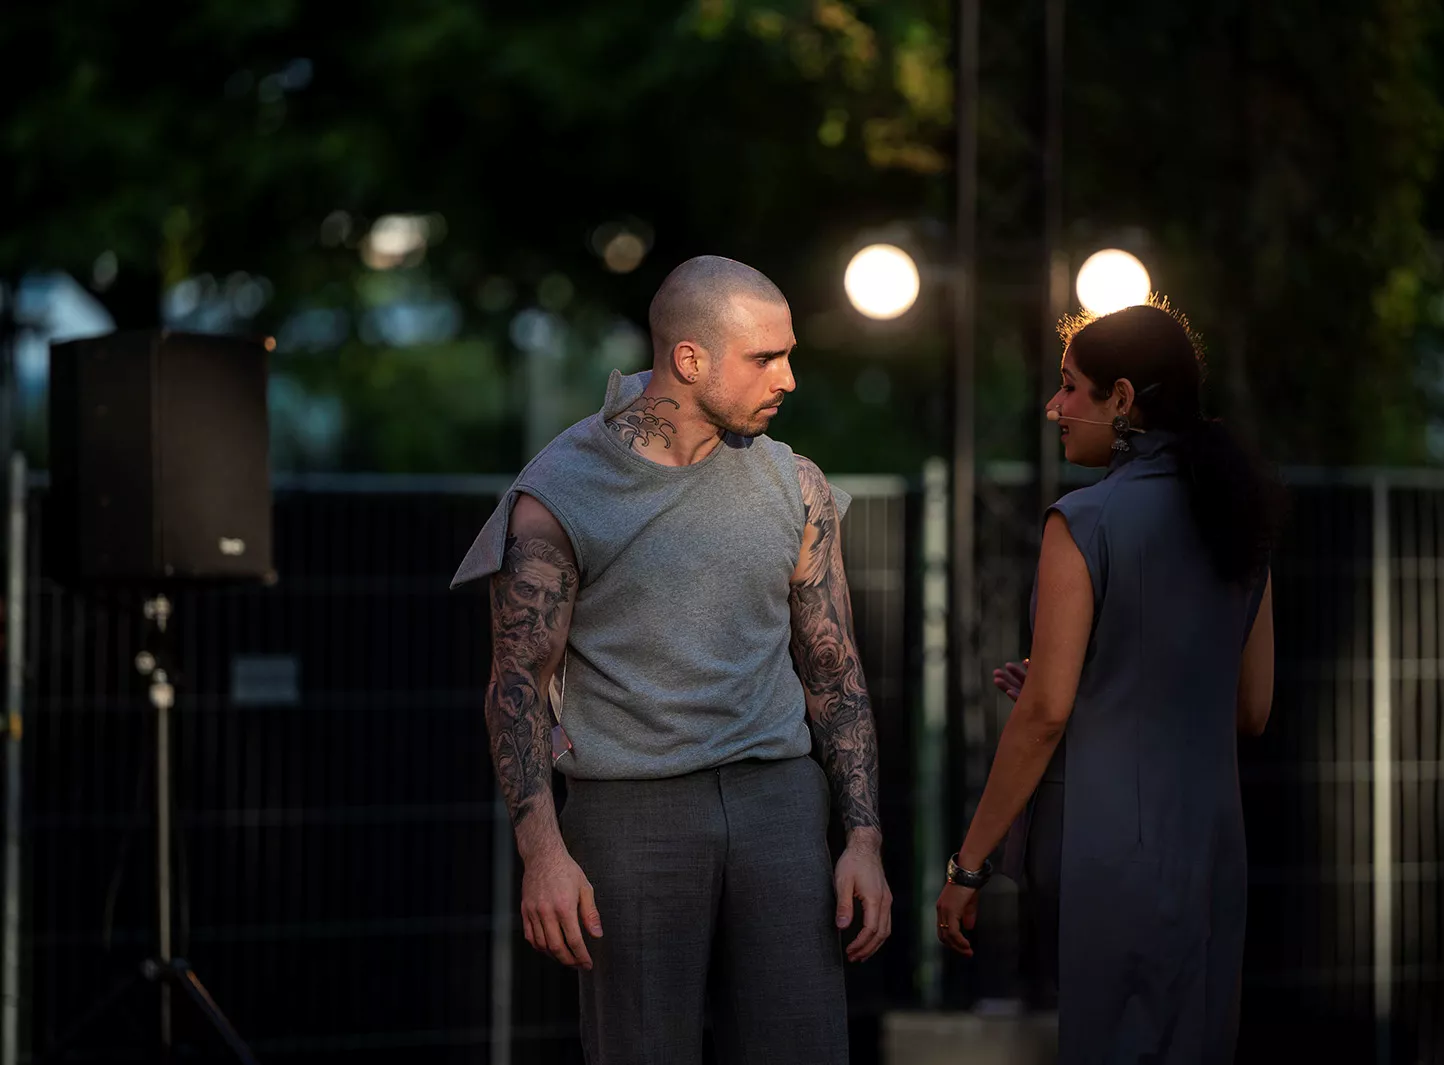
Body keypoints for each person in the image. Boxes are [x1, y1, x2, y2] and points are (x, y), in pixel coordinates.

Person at [450, 255, 891, 1065]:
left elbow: (835, 671)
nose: (788, 378)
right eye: (765, 357)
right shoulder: (560, 492)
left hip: (778, 801)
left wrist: (863, 838)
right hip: (630, 812)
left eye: (788, 354)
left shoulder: (796, 483)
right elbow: (516, 687)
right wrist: (542, 852)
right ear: (690, 359)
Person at [935, 301, 1282, 1063]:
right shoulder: (1240, 516)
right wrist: (1108, 685)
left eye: (1068, 386)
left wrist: (968, 866)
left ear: (1121, 398)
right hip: (1210, 846)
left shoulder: (1084, 520)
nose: (1052, 407)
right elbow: (1252, 708)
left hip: (1110, 843)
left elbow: (1044, 715)